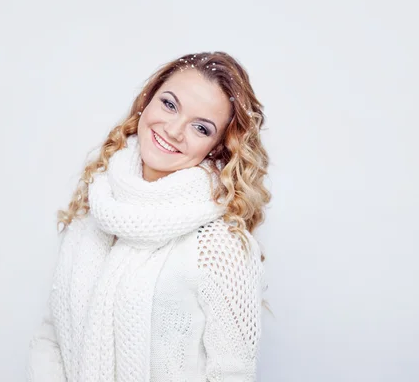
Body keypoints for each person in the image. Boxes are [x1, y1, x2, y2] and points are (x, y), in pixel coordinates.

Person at [27, 51, 271, 382]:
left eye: (201, 127)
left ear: (216, 146)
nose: (173, 130)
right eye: (169, 105)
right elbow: (53, 335)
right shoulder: (97, 204)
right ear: (147, 101)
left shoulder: (220, 243)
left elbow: (233, 374)